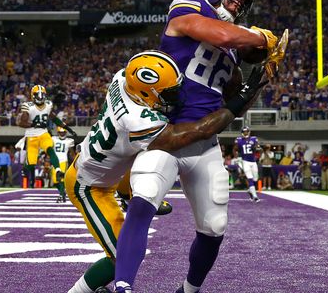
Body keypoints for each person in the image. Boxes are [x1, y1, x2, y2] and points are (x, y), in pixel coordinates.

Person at [114, 0, 284, 293]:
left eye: (240, 4)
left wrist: (259, 78)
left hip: (204, 144)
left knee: (215, 225)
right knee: (144, 198)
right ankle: (123, 287)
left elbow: (232, 101)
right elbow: (217, 34)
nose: (234, 6)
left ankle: (188, 291)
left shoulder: (233, 50)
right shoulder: (189, 4)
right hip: (168, 133)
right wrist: (262, 37)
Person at [66, 50, 266, 293]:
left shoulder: (123, 78)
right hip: (89, 185)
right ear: (144, 94)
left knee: (138, 156)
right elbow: (196, 132)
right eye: (167, 93)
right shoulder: (138, 119)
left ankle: (129, 195)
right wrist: (236, 103)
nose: (175, 97)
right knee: (120, 256)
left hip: (113, 164)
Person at [17, 84, 79, 192]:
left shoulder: (49, 104)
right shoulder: (28, 106)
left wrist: (68, 129)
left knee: (50, 148)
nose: (40, 97)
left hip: (43, 133)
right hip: (31, 136)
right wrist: (33, 125)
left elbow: (54, 119)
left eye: (42, 95)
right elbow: (21, 123)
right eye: (38, 95)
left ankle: (58, 169)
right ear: (33, 95)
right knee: (31, 164)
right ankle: (26, 171)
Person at [234, 126, 260, 201]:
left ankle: (250, 190)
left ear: (249, 132)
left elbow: (258, 147)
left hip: (253, 161)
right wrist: (236, 157)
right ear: (242, 133)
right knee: (250, 178)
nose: (245, 133)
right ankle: (255, 196)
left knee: (255, 178)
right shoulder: (239, 140)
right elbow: (234, 149)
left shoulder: (254, 139)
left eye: (246, 131)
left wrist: (256, 147)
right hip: (245, 161)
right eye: (244, 132)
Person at [52, 126, 75, 202]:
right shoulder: (53, 139)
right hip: (55, 162)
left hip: (63, 161)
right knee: (55, 181)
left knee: (61, 179)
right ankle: (63, 192)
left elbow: (72, 153)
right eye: (60, 133)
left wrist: (75, 161)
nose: (62, 134)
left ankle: (61, 195)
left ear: (65, 132)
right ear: (58, 132)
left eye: (63, 132)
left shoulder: (69, 141)